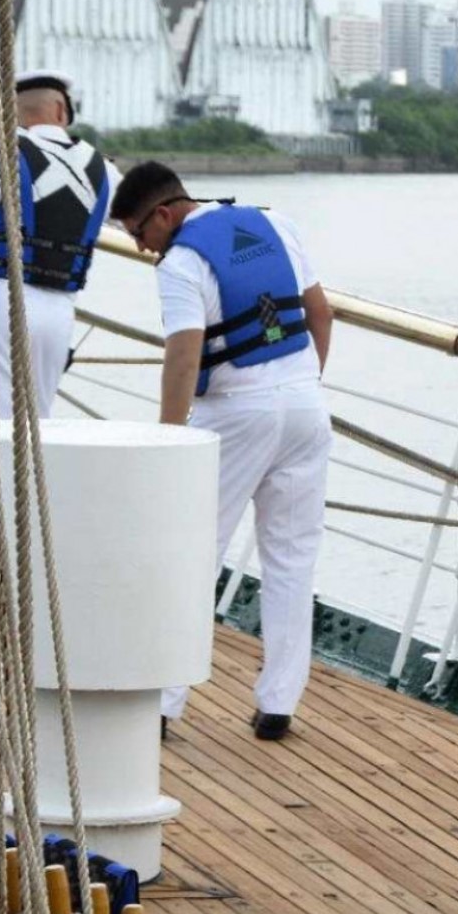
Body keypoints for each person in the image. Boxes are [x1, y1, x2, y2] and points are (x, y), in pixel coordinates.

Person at [109, 162, 333, 739]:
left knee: (192, 552)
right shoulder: (273, 222)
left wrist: (167, 438)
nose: (141, 248)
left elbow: (184, 355)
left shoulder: (181, 264)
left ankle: (161, 702)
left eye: (138, 233)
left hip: (236, 411)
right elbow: (319, 312)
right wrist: (305, 382)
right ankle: (279, 703)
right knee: (290, 560)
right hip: (306, 406)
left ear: (164, 214)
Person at [0, 71, 117, 438]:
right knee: (38, 425)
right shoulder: (105, 169)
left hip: (1, 300)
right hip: (62, 308)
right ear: (61, 110)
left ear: (13, 113)